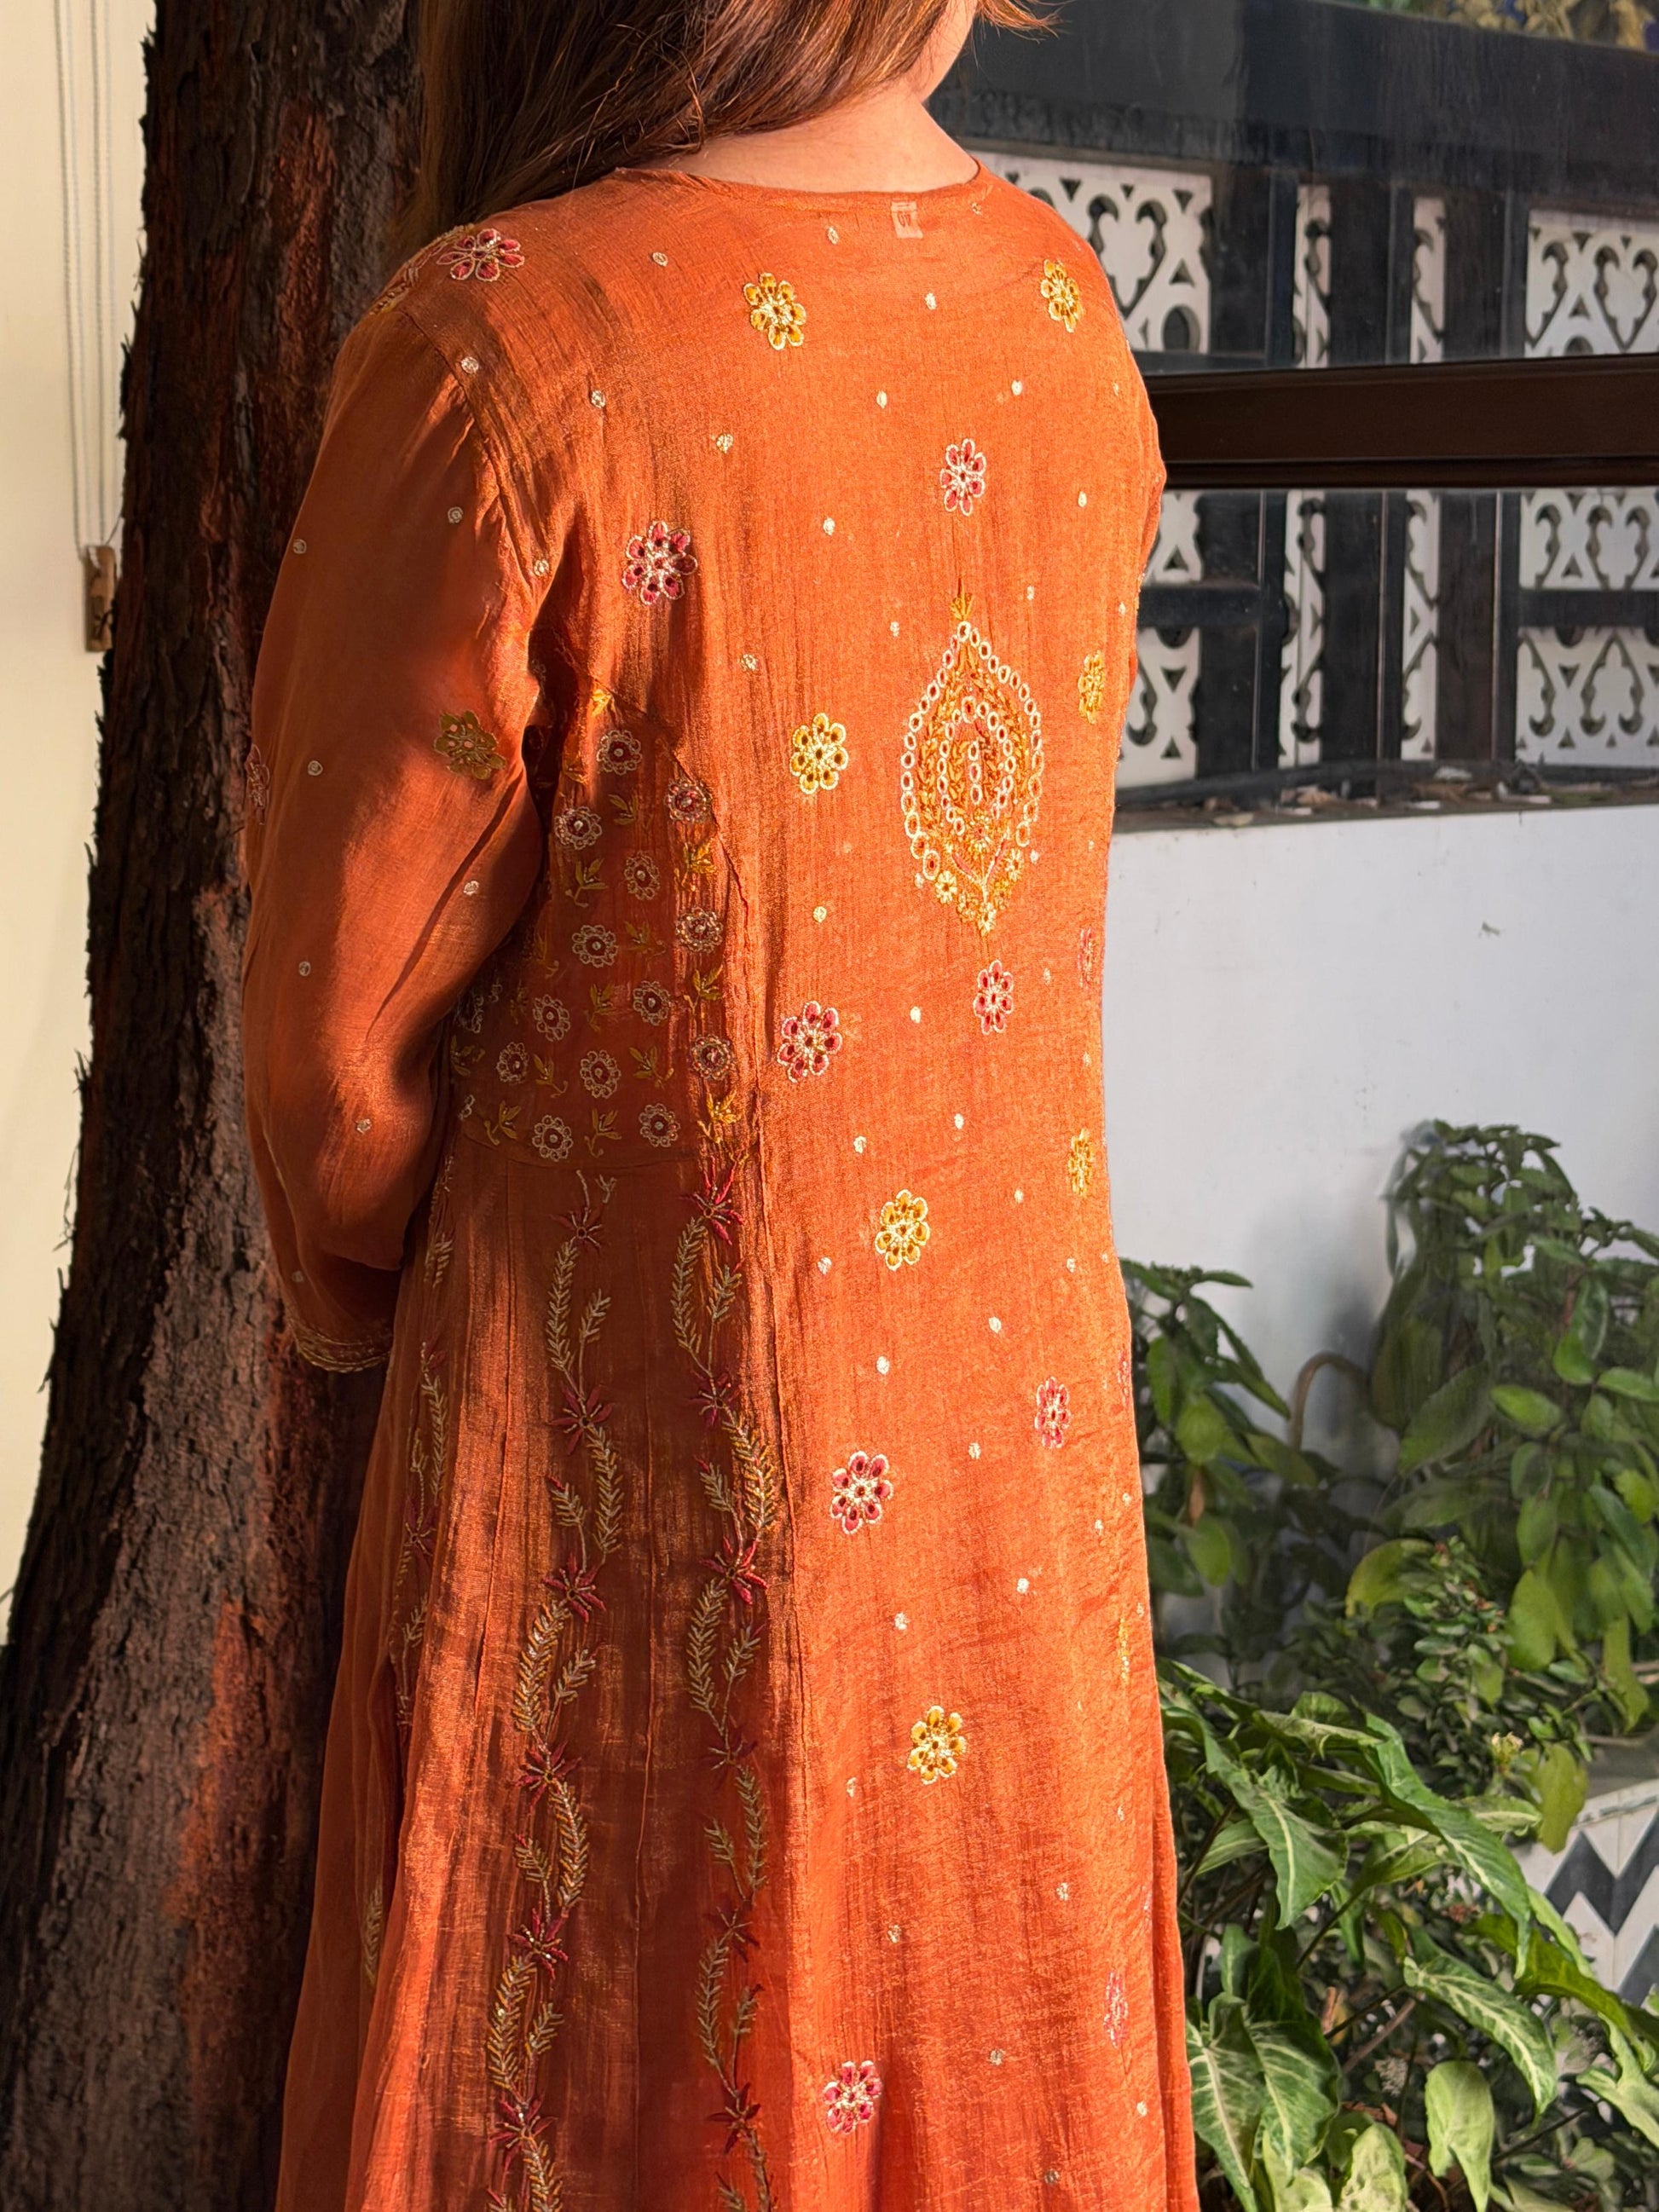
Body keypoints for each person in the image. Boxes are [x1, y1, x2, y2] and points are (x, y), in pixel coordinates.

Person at [239, 0, 1196, 2203]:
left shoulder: (508, 349)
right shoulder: (1060, 316)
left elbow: (330, 1053)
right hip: (1007, 1512)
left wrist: (367, 1275)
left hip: (625, 1504)